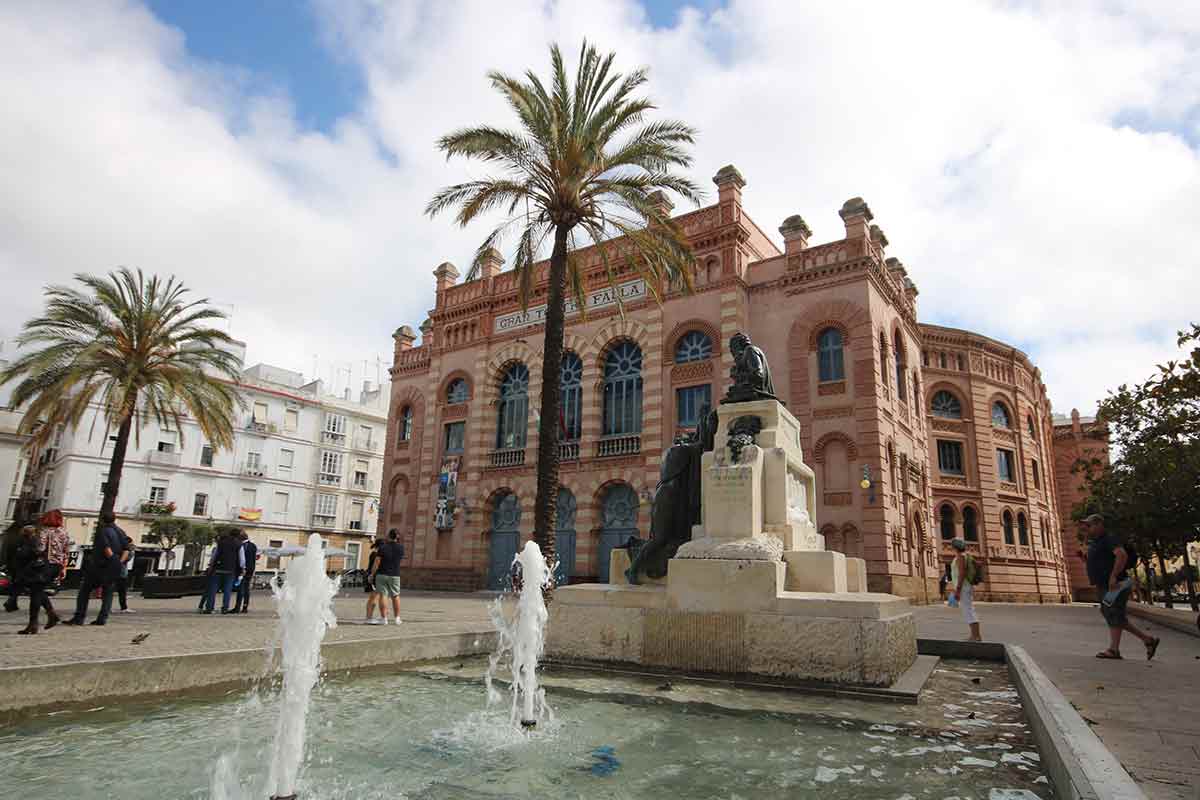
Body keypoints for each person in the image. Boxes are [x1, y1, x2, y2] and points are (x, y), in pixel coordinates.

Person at [1084, 514, 1160, 660]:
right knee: (1112, 614)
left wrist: (1113, 576)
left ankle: (1114, 650)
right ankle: (1148, 640)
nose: (1087, 528)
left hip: (1116, 584)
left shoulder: (1109, 538)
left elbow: (1121, 555)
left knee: (1112, 613)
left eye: (1089, 525)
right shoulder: (1098, 541)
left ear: (1099, 524)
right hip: (1106, 584)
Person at [65, 511, 123, 626]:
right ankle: (102, 618)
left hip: (100, 566)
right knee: (108, 593)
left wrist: (111, 558)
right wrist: (119, 562)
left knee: (84, 591)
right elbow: (127, 548)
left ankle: (79, 617)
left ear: (102, 519)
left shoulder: (102, 531)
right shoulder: (120, 532)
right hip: (114, 566)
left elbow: (106, 548)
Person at [21, 511, 71, 634]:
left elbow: (40, 548)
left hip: (44, 565)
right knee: (38, 590)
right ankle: (51, 615)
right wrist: (63, 567)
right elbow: (66, 551)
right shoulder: (64, 533)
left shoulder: (44, 531)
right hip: (57, 566)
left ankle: (34, 623)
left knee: (36, 593)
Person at [200, 529, 245, 615]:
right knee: (227, 590)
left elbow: (215, 555)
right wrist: (242, 569)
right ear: (238, 535)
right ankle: (224, 608)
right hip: (231, 570)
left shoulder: (221, 542)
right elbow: (242, 559)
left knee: (212, 589)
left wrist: (211, 565)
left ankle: (209, 608)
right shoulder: (239, 544)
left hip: (218, 568)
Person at [947, 539, 982, 642]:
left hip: (964, 587)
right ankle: (974, 635)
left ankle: (976, 636)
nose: (950, 547)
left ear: (955, 547)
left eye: (951, 546)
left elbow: (962, 573)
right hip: (964, 586)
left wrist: (958, 589)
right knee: (967, 609)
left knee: (968, 610)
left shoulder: (961, 557)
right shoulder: (963, 556)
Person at [369, 529, 405, 625]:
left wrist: (372, 574)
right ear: (397, 537)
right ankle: (397, 618)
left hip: (382, 574)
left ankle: (384, 618)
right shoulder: (401, 548)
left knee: (383, 595)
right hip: (395, 574)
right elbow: (400, 560)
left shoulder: (383, 547)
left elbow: (377, 562)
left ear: (389, 536)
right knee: (396, 596)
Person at [234, 532, 258, 613]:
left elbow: (241, 559)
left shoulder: (241, 546)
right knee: (247, 589)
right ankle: (245, 607)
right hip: (251, 569)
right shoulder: (253, 545)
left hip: (243, 569)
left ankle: (237, 607)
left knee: (240, 588)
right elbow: (255, 557)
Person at [115, 529, 135, 613]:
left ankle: (107, 607)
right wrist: (131, 550)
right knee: (122, 591)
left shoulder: (117, 548)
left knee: (111, 591)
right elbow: (128, 558)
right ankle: (124, 607)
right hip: (121, 573)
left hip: (115, 571)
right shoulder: (126, 550)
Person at [364, 539, 384, 624]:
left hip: (373, 576)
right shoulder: (375, 554)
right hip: (373, 577)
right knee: (373, 597)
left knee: (374, 597)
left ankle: (369, 616)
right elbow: (376, 566)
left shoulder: (375, 553)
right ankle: (368, 617)